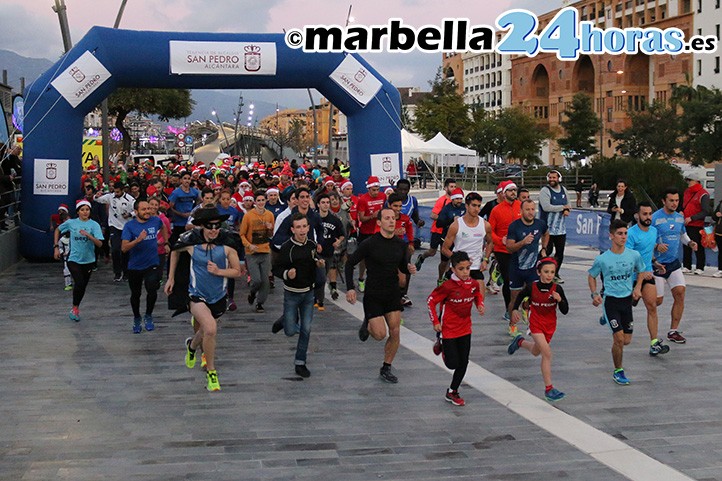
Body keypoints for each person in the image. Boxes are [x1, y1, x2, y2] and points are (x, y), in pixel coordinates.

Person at [165, 207, 243, 392]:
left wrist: (219, 271)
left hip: (218, 296)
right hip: (196, 295)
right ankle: (212, 372)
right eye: (209, 226)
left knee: (206, 331)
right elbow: (175, 251)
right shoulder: (191, 241)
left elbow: (237, 271)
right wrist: (171, 277)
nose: (213, 230)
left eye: (217, 226)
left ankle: (191, 346)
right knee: (210, 328)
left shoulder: (227, 244)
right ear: (202, 226)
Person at [345, 208, 417, 383]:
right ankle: (369, 325)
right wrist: (350, 288)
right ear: (379, 223)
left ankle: (386, 367)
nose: (392, 221)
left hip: (392, 293)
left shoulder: (401, 245)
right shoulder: (369, 244)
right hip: (374, 294)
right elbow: (349, 264)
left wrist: (409, 269)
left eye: (393, 218)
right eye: (387, 218)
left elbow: (401, 267)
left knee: (395, 330)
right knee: (379, 334)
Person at [588, 219, 646, 385]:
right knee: (618, 339)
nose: (623, 237)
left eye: (625, 233)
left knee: (626, 340)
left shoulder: (633, 255)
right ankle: (618, 370)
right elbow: (591, 275)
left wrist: (638, 287)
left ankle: (606, 319)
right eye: (620, 234)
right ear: (611, 236)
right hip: (611, 300)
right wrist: (594, 294)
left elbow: (642, 270)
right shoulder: (603, 259)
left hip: (626, 301)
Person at [426, 251, 484, 406]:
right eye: (461, 269)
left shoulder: (473, 284)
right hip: (449, 329)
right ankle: (442, 345)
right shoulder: (447, 286)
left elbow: (477, 294)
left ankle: (453, 391)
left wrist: (479, 304)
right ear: (453, 269)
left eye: (467, 268)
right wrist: (435, 321)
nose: (465, 272)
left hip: (466, 328)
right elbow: (431, 301)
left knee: (463, 362)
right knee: (452, 363)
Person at [271, 214, 325, 378]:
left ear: (309, 228)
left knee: (306, 329)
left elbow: (313, 258)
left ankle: (300, 362)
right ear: (293, 230)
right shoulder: (287, 247)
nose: (302, 230)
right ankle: (284, 321)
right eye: (298, 227)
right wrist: (287, 273)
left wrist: (318, 263)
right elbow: (277, 269)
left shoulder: (311, 244)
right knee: (289, 331)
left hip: (309, 293)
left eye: (304, 226)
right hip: (292, 294)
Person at [507, 257, 569, 402]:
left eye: (552, 272)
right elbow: (520, 296)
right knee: (547, 353)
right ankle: (549, 389)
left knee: (536, 351)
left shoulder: (557, 289)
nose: (549, 275)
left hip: (550, 325)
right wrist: (515, 310)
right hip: (535, 323)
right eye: (546, 272)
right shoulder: (531, 287)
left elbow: (565, 310)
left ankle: (520, 341)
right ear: (539, 272)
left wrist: (560, 300)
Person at [652, 188, 699, 344]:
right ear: (664, 201)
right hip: (658, 265)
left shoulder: (679, 218)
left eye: (677, 200)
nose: (674, 203)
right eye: (671, 200)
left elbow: (682, 235)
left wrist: (690, 242)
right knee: (657, 301)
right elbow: (645, 238)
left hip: (673, 263)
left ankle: (673, 331)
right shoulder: (655, 218)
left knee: (680, 293)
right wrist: (656, 246)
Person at [625, 201, 670, 356]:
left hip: (648, 274)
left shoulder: (653, 232)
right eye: (645, 214)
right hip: (630, 277)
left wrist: (654, 263)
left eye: (650, 214)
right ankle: (608, 310)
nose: (648, 217)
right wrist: (640, 274)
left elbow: (647, 252)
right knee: (624, 307)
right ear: (637, 215)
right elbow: (629, 258)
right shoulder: (630, 233)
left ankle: (654, 343)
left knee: (652, 307)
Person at [121, 199, 169, 334]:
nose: (148, 211)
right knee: (136, 294)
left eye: (148, 208)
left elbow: (163, 226)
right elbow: (124, 248)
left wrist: (165, 242)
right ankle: (137, 317)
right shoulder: (130, 226)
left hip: (152, 263)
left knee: (152, 289)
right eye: (144, 209)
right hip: (135, 266)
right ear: (136, 212)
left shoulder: (155, 220)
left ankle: (148, 315)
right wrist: (138, 240)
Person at [53, 199, 104, 322]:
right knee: (79, 282)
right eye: (82, 210)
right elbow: (58, 230)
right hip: (73, 258)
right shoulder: (71, 223)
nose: (85, 212)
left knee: (82, 286)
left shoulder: (94, 225)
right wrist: (56, 247)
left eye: (87, 210)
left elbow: (100, 244)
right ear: (78, 212)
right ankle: (75, 308)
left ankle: (76, 306)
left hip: (89, 260)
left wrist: (89, 236)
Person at [505, 199, 549, 336]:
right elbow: (509, 247)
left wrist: (544, 248)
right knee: (514, 297)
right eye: (528, 210)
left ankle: (533, 323)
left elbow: (546, 233)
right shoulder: (514, 227)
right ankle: (512, 325)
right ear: (521, 211)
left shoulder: (540, 224)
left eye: (532, 209)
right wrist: (522, 243)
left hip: (532, 268)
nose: (531, 213)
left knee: (535, 296)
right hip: (516, 268)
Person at [488, 180, 522, 322]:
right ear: (504, 193)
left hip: (520, 249)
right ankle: (509, 309)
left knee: (521, 281)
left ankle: (519, 306)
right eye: (510, 190)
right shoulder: (496, 210)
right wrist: (499, 240)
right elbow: (490, 232)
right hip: (503, 250)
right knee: (509, 281)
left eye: (515, 190)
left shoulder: (521, 206)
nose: (513, 192)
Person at [240, 190, 275, 313]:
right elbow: (242, 234)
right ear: (255, 202)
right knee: (256, 280)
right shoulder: (248, 216)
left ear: (265, 201)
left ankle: (260, 303)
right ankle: (252, 293)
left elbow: (271, 235)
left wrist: (270, 229)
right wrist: (249, 246)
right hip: (252, 253)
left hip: (265, 250)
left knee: (265, 281)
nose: (261, 202)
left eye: (262, 200)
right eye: (258, 200)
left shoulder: (270, 215)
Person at [415, 178, 456, 281]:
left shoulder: (456, 202)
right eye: (451, 186)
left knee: (446, 258)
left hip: (448, 234)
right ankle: (422, 257)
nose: (454, 188)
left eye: (455, 186)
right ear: (446, 188)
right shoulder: (442, 200)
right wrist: (446, 219)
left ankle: (441, 280)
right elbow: (433, 215)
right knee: (432, 252)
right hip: (437, 231)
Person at [95, 181, 135, 281]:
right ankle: (117, 273)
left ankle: (126, 272)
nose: (116, 194)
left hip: (126, 227)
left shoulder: (130, 199)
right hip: (114, 226)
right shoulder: (110, 197)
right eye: (115, 192)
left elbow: (137, 209)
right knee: (115, 250)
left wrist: (130, 215)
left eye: (118, 192)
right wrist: (97, 195)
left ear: (122, 190)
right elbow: (98, 200)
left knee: (125, 251)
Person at [355, 176, 388, 292]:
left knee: (378, 256)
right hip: (365, 231)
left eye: (377, 189)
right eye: (373, 190)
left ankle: (376, 279)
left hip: (378, 231)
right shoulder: (363, 199)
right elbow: (362, 218)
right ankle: (361, 278)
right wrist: (372, 216)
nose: (375, 192)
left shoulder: (383, 196)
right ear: (368, 189)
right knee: (364, 258)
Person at [538, 170, 571, 284]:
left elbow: (569, 204)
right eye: (550, 177)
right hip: (548, 227)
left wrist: (566, 209)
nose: (552, 179)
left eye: (554, 177)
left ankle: (555, 273)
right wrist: (563, 207)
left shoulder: (563, 190)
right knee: (547, 250)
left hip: (561, 228)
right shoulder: (545, 191)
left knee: (560, 252)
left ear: (559, 178)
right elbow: (547, 207)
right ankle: (539, 269)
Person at [316, 193, 345, 307]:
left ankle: (320, 294)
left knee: (326, 273)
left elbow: (342, 234)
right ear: (318, 204)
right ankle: (319, 299)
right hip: (317, 253)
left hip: (329, 252)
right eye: (323, 202)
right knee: (321, 276)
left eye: (327, 202)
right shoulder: (313, 218)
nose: (326, 205)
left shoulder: (334, 219)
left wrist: (338, 241)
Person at [682, 169, 711, 275]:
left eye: (690, 180)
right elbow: (684, 205)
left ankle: (700, 267)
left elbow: (706, 211)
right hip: (686, 223)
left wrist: (692, 218)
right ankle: (686, 265)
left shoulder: (703, 194)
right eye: (687, 180)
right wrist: (681, 211)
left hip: (697, 224)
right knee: (686, 244)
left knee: (698, 246)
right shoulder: (686, 192)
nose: (688, 182)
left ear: (696, 181)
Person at [168, 171, 201, 246]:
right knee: (179, 244)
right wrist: (181, 214)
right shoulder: (176, 193)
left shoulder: (194, 192)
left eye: (189, 179)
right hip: (178, 223)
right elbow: (170, 207)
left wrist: (194, 212)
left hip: (190, 222)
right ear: (181, 180)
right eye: (185, 178)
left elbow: (199, 202)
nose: (187, 181)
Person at [714, 197, 722, 278]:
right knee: (721, 252)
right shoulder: (721, 203)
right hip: (719, 232)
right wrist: (716, 214)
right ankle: (720, 269)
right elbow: (714, 216)